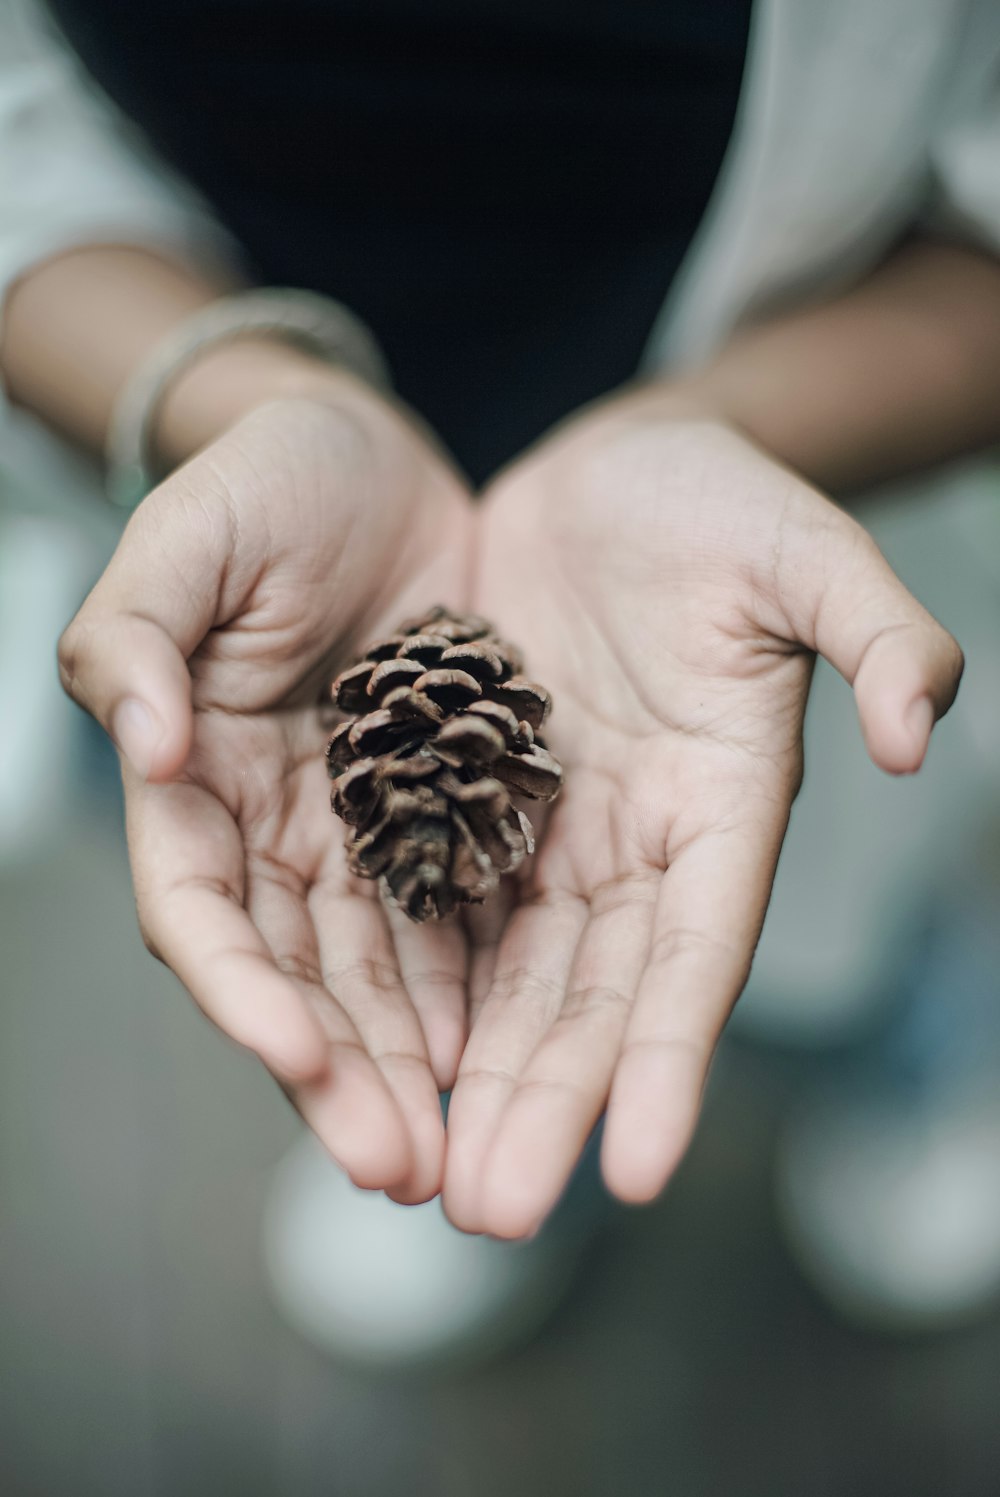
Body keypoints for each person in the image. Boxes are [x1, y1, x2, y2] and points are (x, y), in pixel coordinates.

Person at [2, 0, 998, 1351]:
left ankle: (904, 1060)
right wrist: (232, 400)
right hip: (280, 617)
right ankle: (481, 1133)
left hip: (759, 540)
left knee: (840, 935)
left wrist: (729, 425)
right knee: (414, 980)